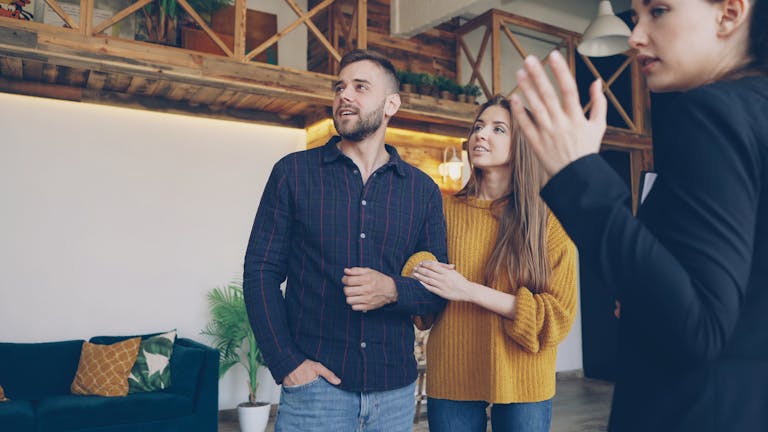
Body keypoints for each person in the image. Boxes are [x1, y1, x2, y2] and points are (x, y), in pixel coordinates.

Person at [509, 0, 768, 430]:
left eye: (659, 11)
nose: (635, 35)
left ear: (730, 12)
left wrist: (578, 177)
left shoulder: (711, 113)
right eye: (635, 16)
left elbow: (697, 327)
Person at [242, 49, 448, 431]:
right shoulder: (293, 173)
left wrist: (392, 290)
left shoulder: (423, 191)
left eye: (360, 87)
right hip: (315, 392)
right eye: (340, 87)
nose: (344, 95)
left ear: (391, 104)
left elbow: (437, 290)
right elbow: (260, 272)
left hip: (395, 392)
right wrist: (287, 364)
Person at [406, 94, 578, 432]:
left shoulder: (550, 221)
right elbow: (416, 258)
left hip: (524, 376)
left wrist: (467, 290)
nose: (480, 135)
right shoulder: (442, 210)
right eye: (478, 127)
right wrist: (419, 264)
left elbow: (557, 315)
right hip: (453, 372)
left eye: (498, 129)